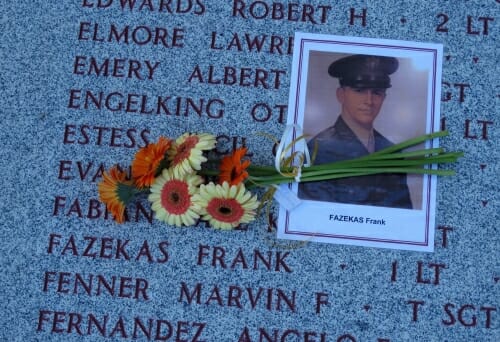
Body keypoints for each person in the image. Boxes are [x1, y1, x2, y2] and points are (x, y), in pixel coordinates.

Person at [298, 54, 413, 209]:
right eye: (359, 90)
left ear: (384, 97)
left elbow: (404, 219)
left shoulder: (395, 153)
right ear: (341, 95)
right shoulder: (317, 151)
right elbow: (315, 218)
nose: (369, 101)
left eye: (377, 93)